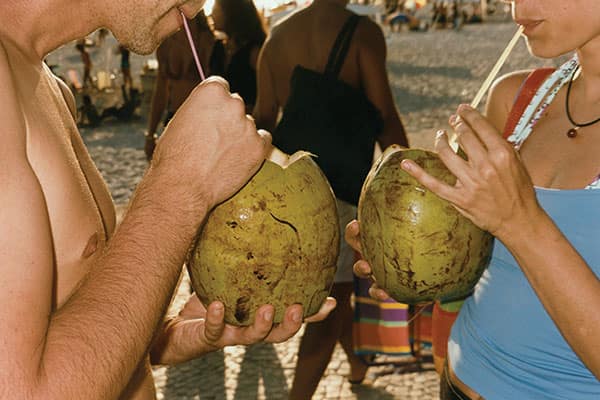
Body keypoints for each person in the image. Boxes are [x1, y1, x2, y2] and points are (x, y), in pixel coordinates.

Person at [0, 1, 335, 399]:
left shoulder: (44, 83)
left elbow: (49, 343)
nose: (200, 4)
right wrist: (179, 186)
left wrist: (166, 337)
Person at [346, 1, 600, 398]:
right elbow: (481, 266)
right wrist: (416, 261)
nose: (519, 5)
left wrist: (520, 223)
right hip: (460, 381)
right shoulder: (516, 99)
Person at [252, 0, 408, 398]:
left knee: (331, 289)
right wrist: (405, 182)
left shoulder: (278, 37)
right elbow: (385, 115)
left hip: (286, 189)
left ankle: (357, 362)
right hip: (335, 191)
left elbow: (264, 116)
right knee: (331, 301)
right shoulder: (361, 32)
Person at [146, 10, 225, 161]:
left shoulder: (209, 41)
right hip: (173, 119)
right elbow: (161, 92)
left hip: (203, 122)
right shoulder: (165, 43)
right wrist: (151, 133)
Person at [210, 0, 267, 112]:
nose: (212, 14)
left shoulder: (254, 50)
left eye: (216, 10)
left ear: (231, 13)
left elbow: (266, 98)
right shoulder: (218, 47)